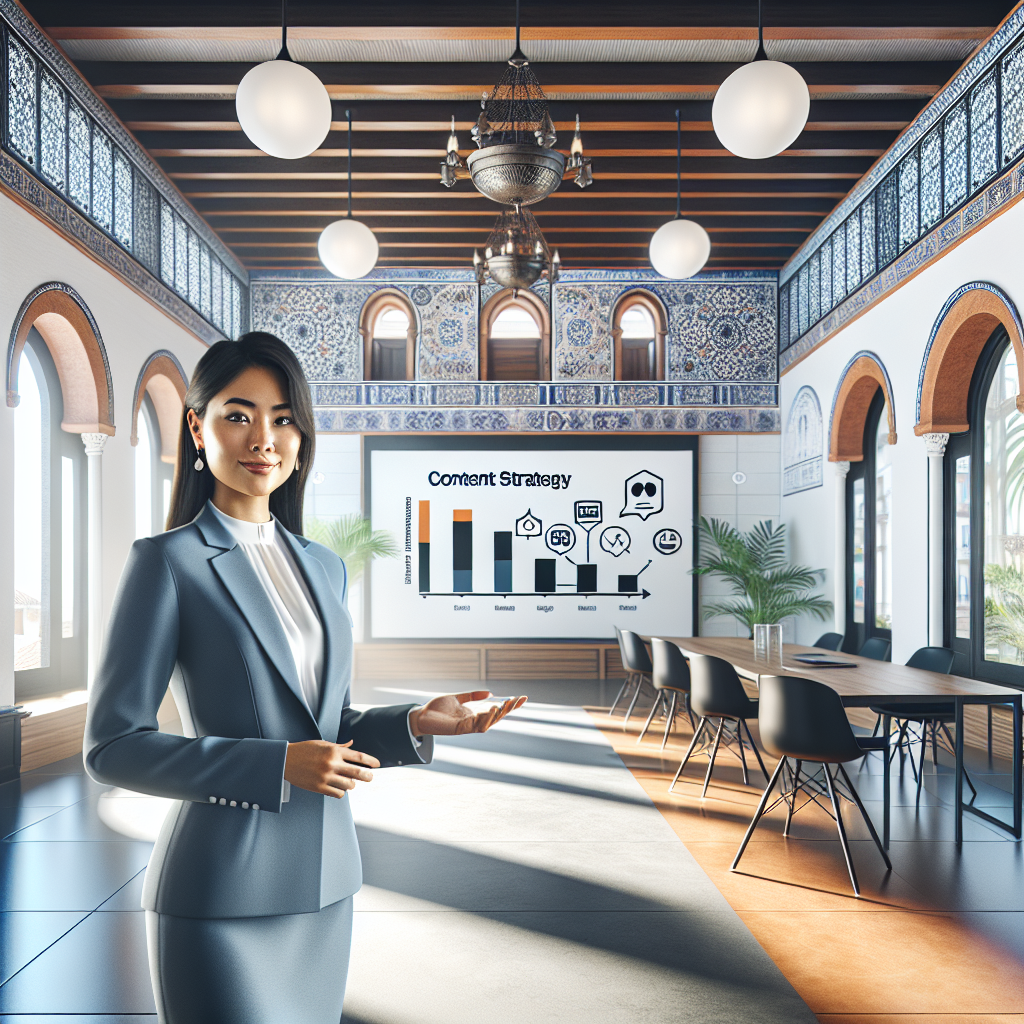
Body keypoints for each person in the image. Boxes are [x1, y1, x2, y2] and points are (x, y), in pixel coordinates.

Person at [84, 332, 526, 1023]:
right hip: (221, 891)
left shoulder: (322, 567)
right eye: (239, 415)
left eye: (284, 418)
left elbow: (325, 729)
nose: (264, 438)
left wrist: (411, 722)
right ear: (198, 427)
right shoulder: (167, 563)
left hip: (326, 882)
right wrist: (276, 766)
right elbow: (112, 747)